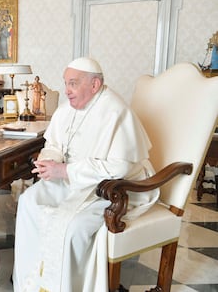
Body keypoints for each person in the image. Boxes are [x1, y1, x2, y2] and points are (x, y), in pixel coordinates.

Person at [13, 57, 160, 291]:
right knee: (29, 202)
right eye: (65, 83)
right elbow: (54, 144)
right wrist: (49, 159)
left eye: (73, 83)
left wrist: (64, 170)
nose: (66, 91)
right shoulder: (66, 110)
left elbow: (119, 167)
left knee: (72, 227)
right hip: (72, 180)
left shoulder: (115, 112)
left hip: (109, 187)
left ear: (95, 85)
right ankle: (32, 281)